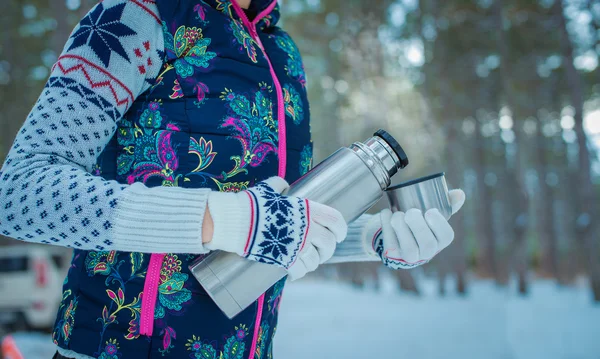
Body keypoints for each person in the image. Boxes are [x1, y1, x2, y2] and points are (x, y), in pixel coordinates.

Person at [0, 0, 466, 357]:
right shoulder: (136, 16)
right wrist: (224, 218)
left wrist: (372, 239)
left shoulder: (282, 54)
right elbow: (20, 192)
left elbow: (274, 231)